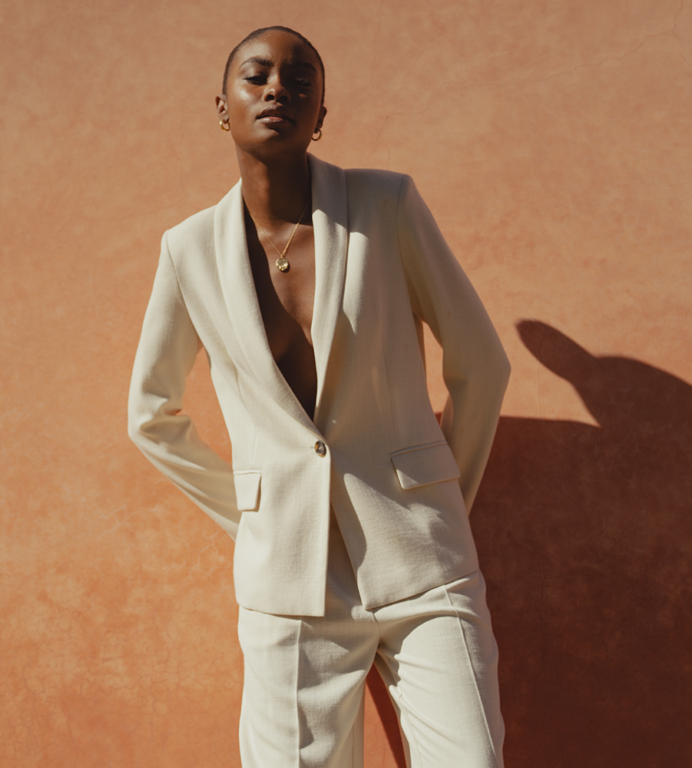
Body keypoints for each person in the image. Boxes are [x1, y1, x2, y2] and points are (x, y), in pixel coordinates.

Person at [128, 25, 511, 768]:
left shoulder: (386, 204)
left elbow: (480, 361)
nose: (278, 89)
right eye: (257, 75)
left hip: (424, 567)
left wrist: (443, 495)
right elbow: (150, 415)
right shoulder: (189, 250)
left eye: (300, 80)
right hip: (288, 582)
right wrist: (252, 516)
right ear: (223, 105)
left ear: (321, 114)